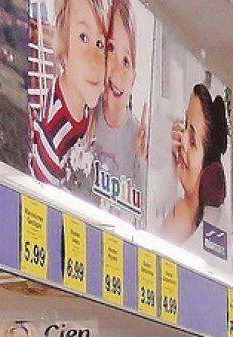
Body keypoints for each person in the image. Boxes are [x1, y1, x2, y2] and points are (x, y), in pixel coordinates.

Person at [29, 0, 107, 188]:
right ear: (64, 46)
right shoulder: (53, 136)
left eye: (100, 43)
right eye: (83, 37)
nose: (95, 60)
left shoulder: (86, 107)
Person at [156, 84, 228, 247]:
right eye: (186, 124)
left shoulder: (183, 219)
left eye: (193, 141)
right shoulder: (175, 201)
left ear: (210, 173)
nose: (182, 139)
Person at [88, 0, 147, 201]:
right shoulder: (88, 113)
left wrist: (141, 161)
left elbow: (142, 209)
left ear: (134, 78)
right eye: (111, 48)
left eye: (126, 61)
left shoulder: (137, 138)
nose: (117, 70)